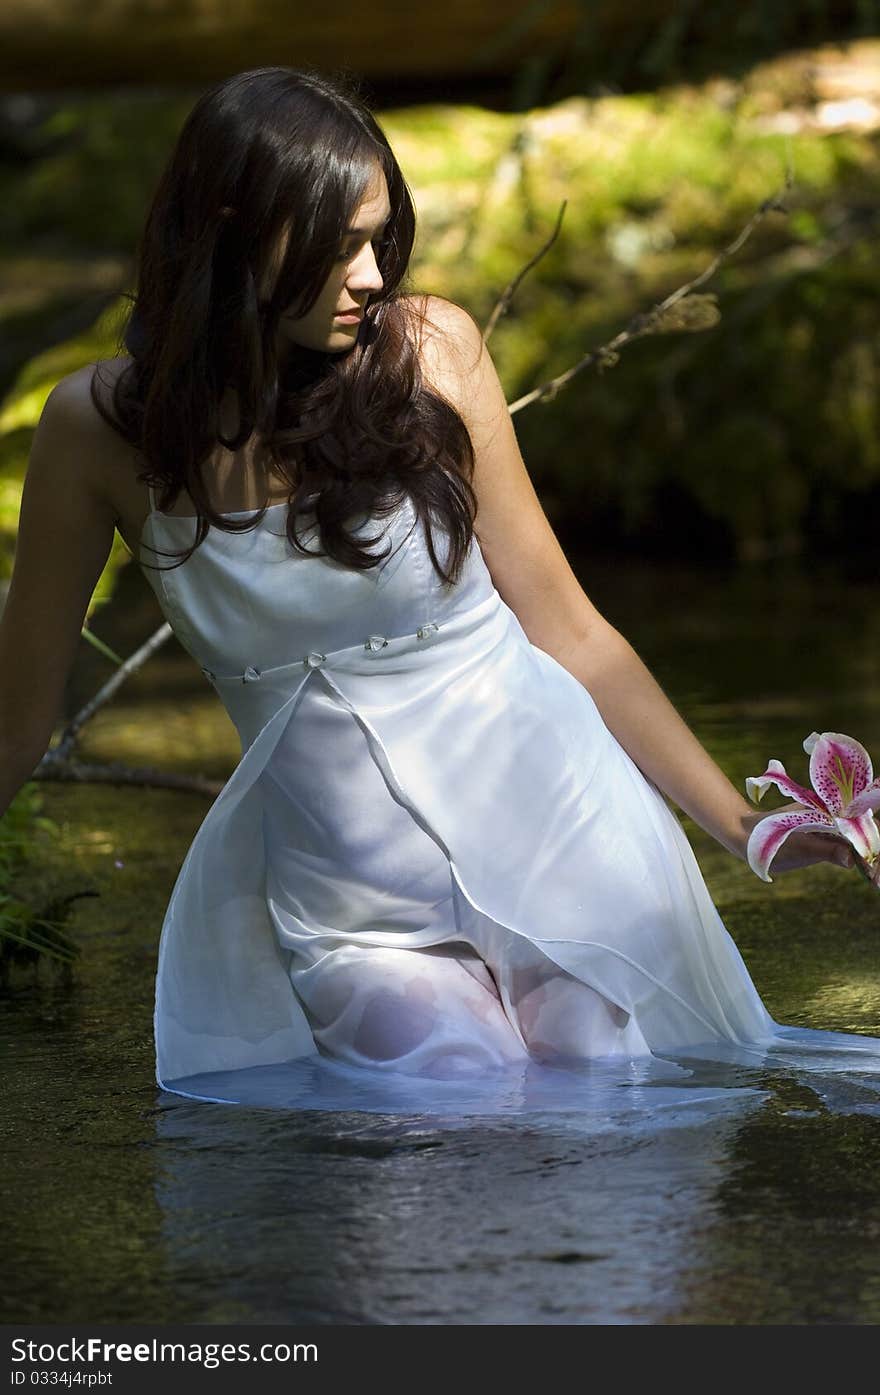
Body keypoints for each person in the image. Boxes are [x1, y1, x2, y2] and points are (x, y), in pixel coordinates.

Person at [1, 67, 875, 1105]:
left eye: (381, 238)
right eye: (336, 247)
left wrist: (745, 830)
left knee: (603, 1103)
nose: (370, 275)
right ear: (233, 232)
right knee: (443, 1111)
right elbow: (19, 715)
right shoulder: (97, 428)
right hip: (353, 904)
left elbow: (572, 632)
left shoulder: (431, 355)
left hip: (559, 831)